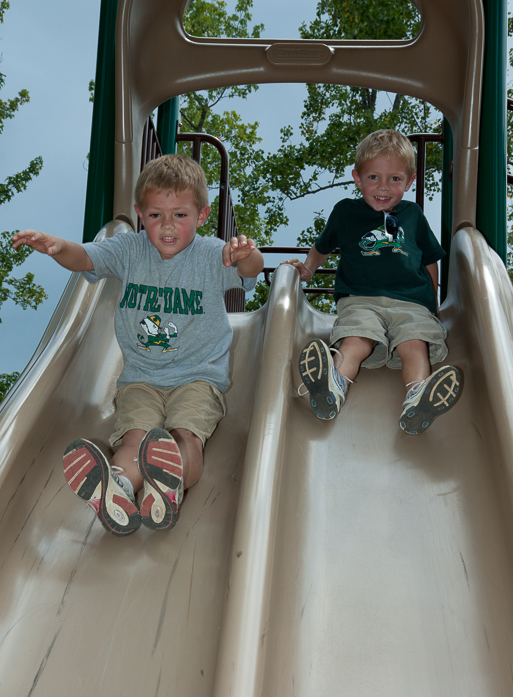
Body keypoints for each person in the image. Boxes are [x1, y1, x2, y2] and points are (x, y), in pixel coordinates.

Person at [12, 154, 263, 536]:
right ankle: (120, 489)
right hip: (140, 380)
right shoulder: (128, 249)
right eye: (155, 215)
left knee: (185, 437)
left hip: (197, 378)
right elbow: (84, 257)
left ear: (202, 215)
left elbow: (251, 272)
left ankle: (169, 486)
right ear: (139, 213)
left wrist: (248, 255)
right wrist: (56, 245)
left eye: (180, 215)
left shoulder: (213, 254)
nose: (167, 226)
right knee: (133, 442)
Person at [282, 129, 461, 434]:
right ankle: (333, 388)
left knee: (414, 344)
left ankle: (417, 397)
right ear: (357, 177)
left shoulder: (412, 214)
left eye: (394, 179)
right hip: (360, 298)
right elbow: (322, 247)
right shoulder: (346, 212)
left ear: (410, 181)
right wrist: (308, 270)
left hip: (411, 301)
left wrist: (433, 302)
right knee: (356, 340)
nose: (383, 187)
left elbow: (430, 260)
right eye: (373, 177)